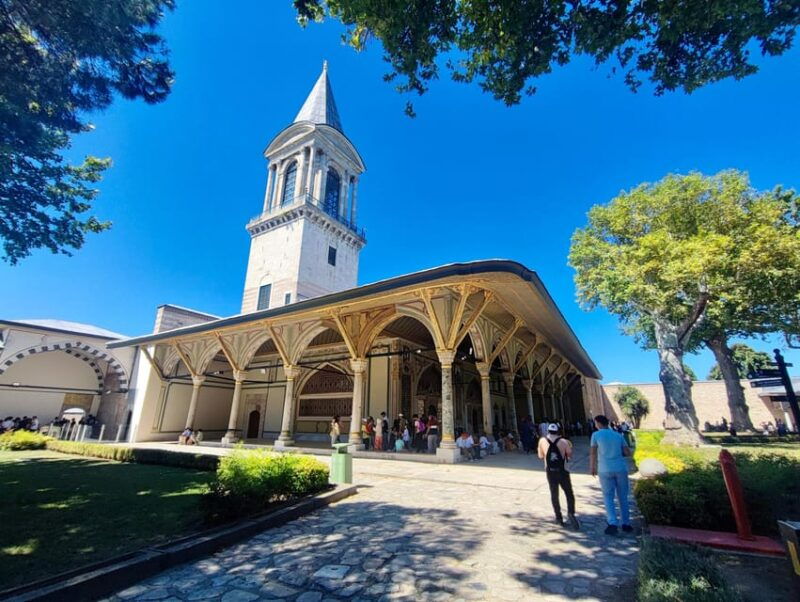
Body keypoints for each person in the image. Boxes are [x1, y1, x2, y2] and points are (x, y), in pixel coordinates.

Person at [590, 414, 632, 535]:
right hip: (620, 468)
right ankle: (626, 523)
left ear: (598, 423)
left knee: (608, 497)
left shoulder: (596, 435)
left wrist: (592, 467)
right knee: (623, 496)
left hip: (604, 469)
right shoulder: (618, 435)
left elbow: (592, 453)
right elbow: (627, 452)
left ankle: (612, 523)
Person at [538, 423, 578, 528]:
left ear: (548, 431)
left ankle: (558, 518)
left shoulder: (542, 441)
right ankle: (571, 513)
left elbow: (540, 456)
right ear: (558, 431)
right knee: (569, 493)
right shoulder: (563, 442)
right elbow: (569, 454)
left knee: (554, 494)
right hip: (563, 470)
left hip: (550, 471)